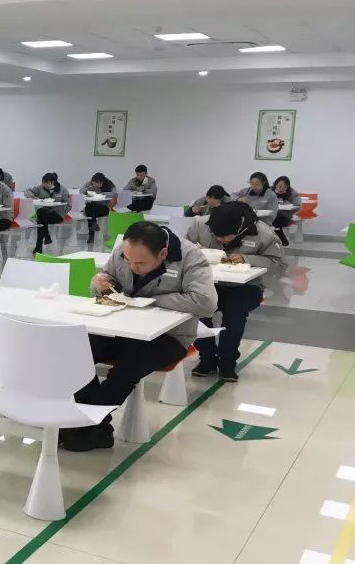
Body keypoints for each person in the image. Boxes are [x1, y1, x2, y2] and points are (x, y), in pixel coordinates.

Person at [66, 221, 217, 452]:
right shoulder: (126, 249)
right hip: (120, 327)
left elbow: (206, 303)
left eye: (140, 263)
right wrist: (99, 284)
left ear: (163, 254)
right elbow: (109, 279)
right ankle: (96, 427)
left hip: (169, 336)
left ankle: (84, 424)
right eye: (128, 260)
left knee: (127, 368)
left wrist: (148, 301)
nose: (132, 266)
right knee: (76, 351)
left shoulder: (189, 257)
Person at [187, 202, 285, 381]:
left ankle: (227, 361)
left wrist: (247, 258)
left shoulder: (263, 234)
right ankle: (206, 358)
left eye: (225, 236)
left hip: (246, 286)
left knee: (234, 314)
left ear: (239, 228)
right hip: (210, 282)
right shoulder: (200, 224)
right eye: (216, 236)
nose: (220, 240)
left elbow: (279, 264)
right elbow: (183, 249)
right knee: (197, 308)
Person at [25, 172, 69, 254]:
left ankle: (39, 246)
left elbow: (68, 203)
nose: (44, 185)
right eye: (43, 183)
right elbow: (27, 191)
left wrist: (64, 209)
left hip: (58, 214)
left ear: (52, 182)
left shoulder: (62, 189)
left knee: (40, 220)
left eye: (46, 183)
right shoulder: (41, 187)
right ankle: (46, 238)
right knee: (40, 213)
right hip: (45, 213)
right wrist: (33, 196)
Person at [80, 172, 117, 244]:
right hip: (92, 208)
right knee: (89, 208)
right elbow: (81, 192)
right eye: (95, 182)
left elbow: (115, 194)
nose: (97, 184)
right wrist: (88, 189)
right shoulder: (89, 184)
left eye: (100, 183)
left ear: (103, 182)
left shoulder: (108, 184)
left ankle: (91, 235)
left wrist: (102, 193)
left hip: (104, 208)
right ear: (93, 181)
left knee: (90, 211)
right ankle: (93, 227)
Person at [272, 176, 302, 246]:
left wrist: (287, 205)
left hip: (286, 214)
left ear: (288, 186)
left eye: (285, 187)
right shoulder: (270, 190)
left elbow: (297, 206)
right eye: (280, 186)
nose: (281, 189)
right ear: (275, 184)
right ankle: (278, 232)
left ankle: (277, 233)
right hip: (271, 213)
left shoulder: (292, 192)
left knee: (278, 216)